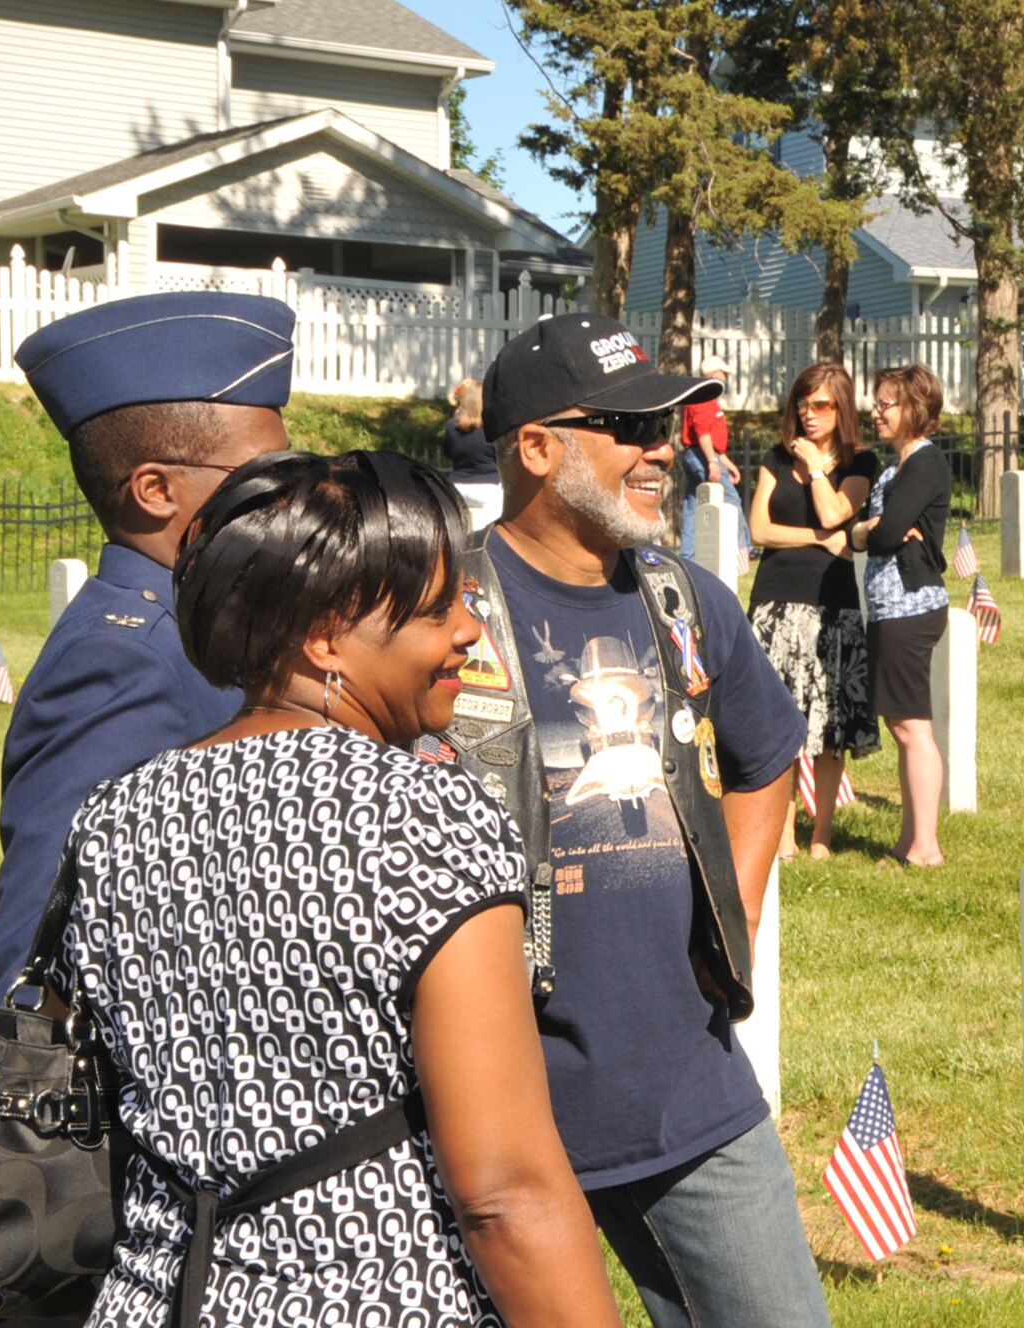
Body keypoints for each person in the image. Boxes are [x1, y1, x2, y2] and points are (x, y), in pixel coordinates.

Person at [54, 451, 620, 1327]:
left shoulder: (113, 815)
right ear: (324, 635)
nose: (472, 630)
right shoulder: (426, 818)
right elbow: (505, 1192)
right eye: (440, 609)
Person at [443, 312, 830, 1327]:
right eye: (626, 423)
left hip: (686, 1081)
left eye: (668, 421)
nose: (662, 447)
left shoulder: (683, 598)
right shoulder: (443, 608)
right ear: (534, 447)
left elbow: (767, 754)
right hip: (492, 1097)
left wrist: (728, 918)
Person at [0, 291, 295, 1006]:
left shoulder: (199, 627)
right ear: (155, 490)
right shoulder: (126, 660)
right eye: (268, 471)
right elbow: (37, 948)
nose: (291, 495)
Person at [747, 363, 882, 860]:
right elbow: (760, 529)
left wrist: (819, 469)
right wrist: (822, 542)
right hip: (775, 600)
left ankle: (821, 834)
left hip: (833, 604)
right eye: (802, 404)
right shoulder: (775, 458)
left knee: (830, 729)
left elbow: (834, 512)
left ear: (841, 407)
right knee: (779, 723)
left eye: (821, 405)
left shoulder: (861, 464)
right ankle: (782, 835)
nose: (808, 415)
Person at [847, 364, 951, 868]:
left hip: (912, 607)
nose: (876, 411)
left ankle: (926, 848)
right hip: (889, 608)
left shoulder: (926, 463)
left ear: (914, 408)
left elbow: (884, 536)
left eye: (885, 404)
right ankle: (909, 839)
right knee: (900, 726)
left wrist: (875, 530)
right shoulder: (895, 468)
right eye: (877, 402)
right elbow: (864, 531)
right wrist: (872, 529)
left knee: (913, 728)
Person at [677, 353, 744, 557]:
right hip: (701, 454)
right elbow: (703, 433)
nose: (726, 378)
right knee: (731, 499)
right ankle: (742, 549)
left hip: (697, 453)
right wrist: (713, 462)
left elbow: (709, 438)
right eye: (724, 374)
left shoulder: (701, 396)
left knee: (693, 505)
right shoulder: (705, 397)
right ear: (714, 374)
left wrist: (726, 462)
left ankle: (688, 556)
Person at [447, 375, 503, 526]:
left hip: (456, 487)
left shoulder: (451, 426)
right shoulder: (493, 427)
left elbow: (447, 452)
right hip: (489, 489)